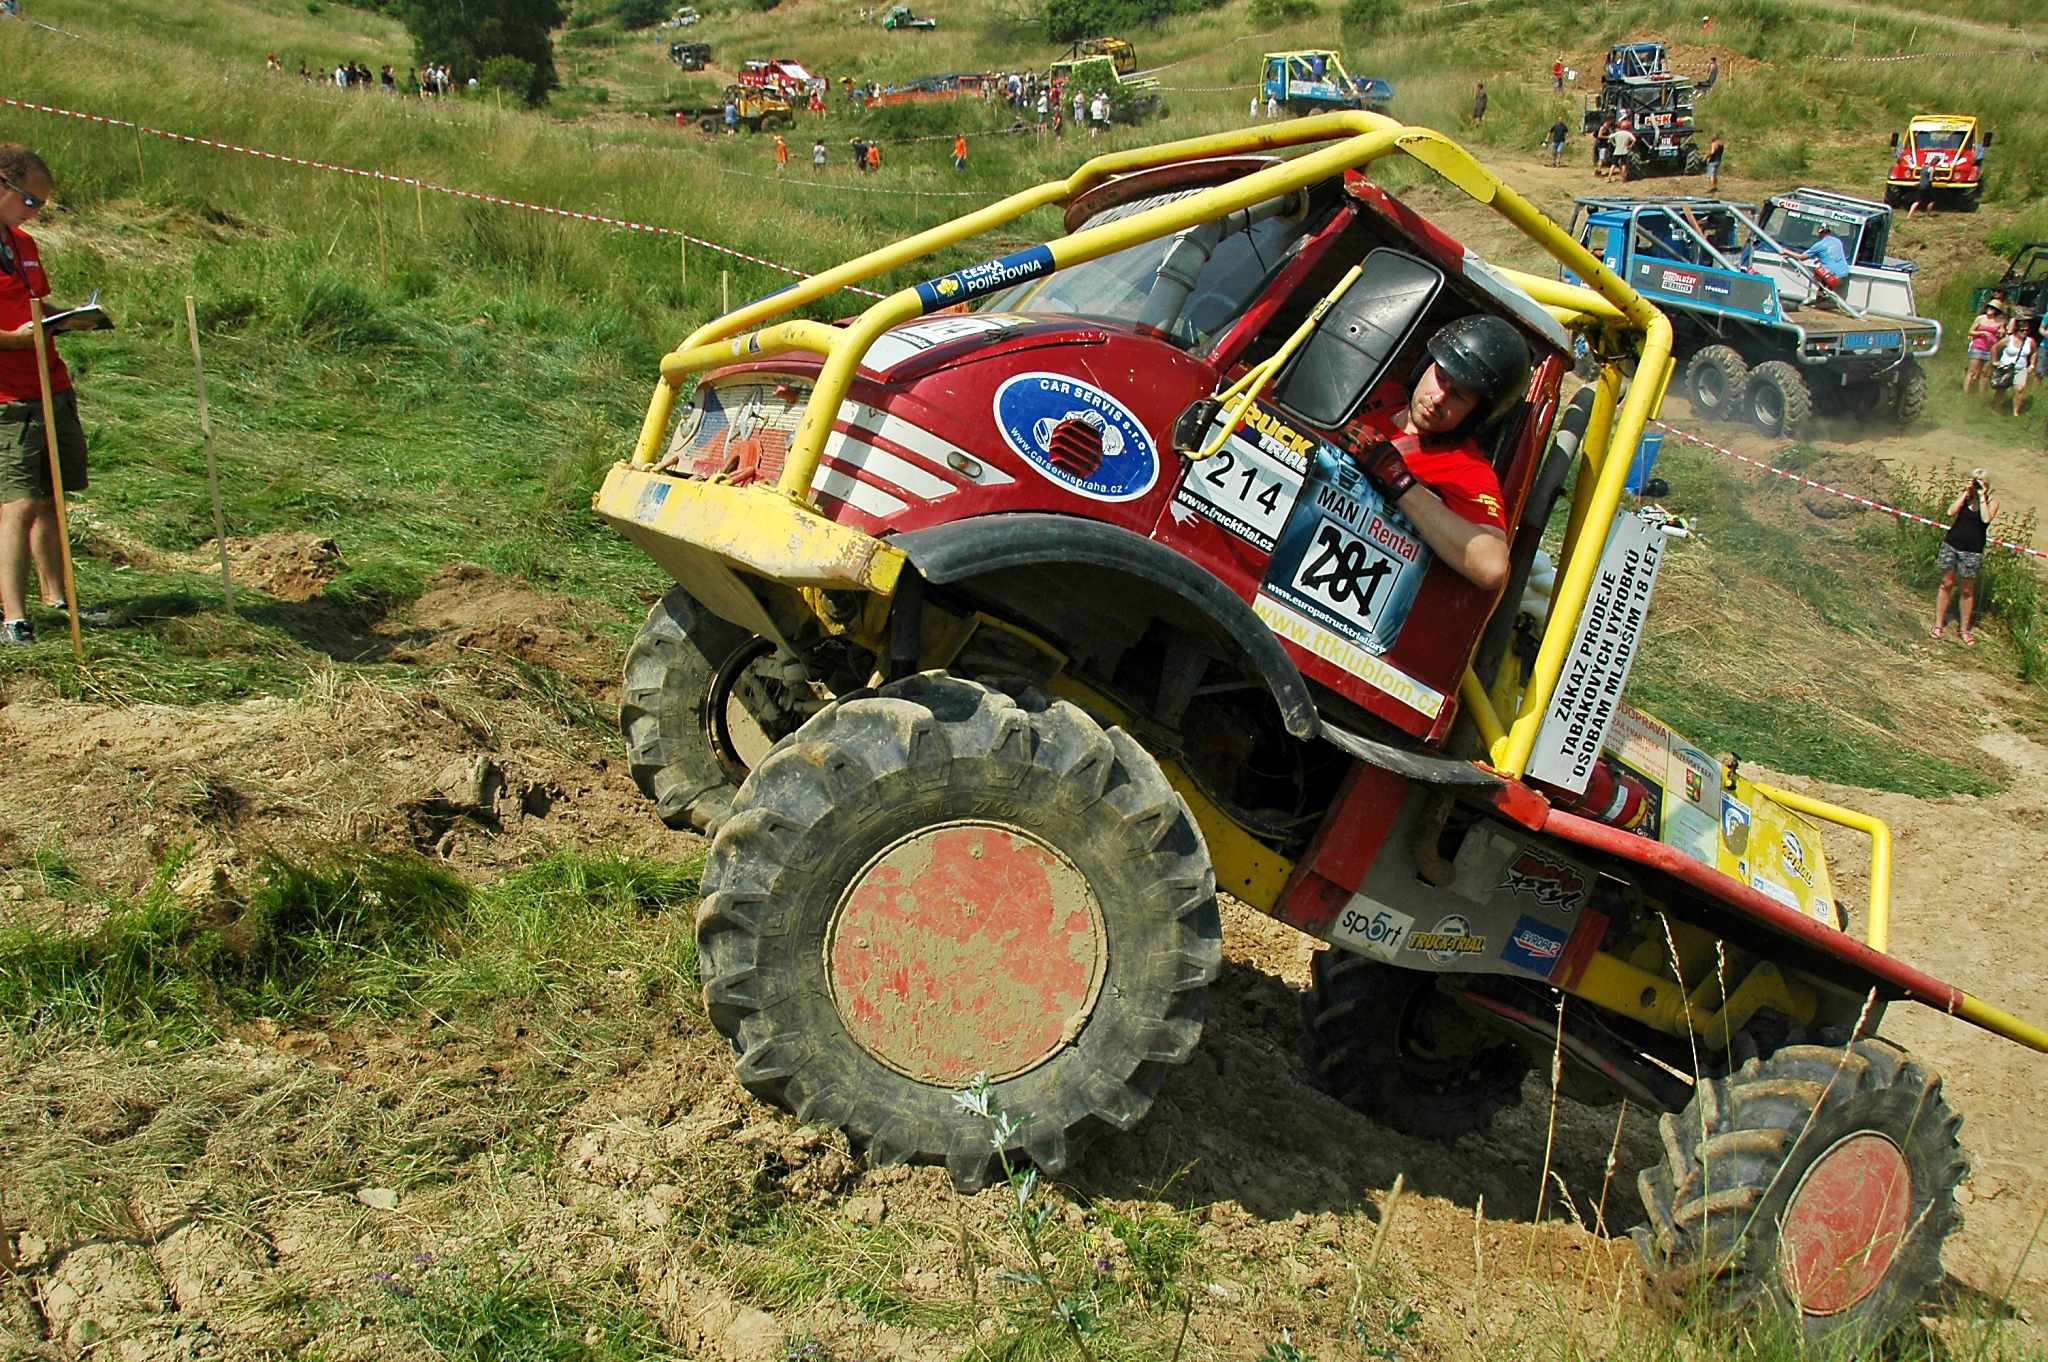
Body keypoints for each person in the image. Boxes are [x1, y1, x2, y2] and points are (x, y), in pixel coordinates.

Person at [1, 146, 107, 647]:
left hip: (50, 383)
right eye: (30, 201)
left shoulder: (24, 244)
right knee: (17, 503)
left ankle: (57, 597)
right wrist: (15, 340)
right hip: (8, 397)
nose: (35, 213)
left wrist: (68, 318)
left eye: (41, 204)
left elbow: (35, 306)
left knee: (50, 496)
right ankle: (14, 618)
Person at [1350, 316, 1531, 592]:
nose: (1438, 399)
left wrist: (1401, 483)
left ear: (1477, 414)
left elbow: (1492, 567)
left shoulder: (1468, 469)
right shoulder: (1377, 392)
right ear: (1425, 365)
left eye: (1458, 396)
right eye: (1441, 379)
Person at [1930, 471, 1996, 645]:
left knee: (1967, 590)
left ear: (1987, 485)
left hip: (1972, 551)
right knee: (1946, 584)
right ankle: (1938, 624)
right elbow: (1950, 512)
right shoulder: (1966, 497)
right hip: (1952, 545)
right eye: (1975, 481)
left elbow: (1985, 520)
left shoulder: (1991, 502)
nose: (1977, 485)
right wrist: (1966, 493)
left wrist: (1981, 497)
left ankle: (1964, 630)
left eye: (1980, 482)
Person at [1796, 223, 1848, 301]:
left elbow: (1802, 257)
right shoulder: (1837, 241)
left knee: (1818, 271)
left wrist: (1785, 252)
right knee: (1824, 270)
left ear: (1820, 233)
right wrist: (1820, 258)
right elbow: (1833, 255)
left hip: (1833, 278)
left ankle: (1823, 296)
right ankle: (1822, 294)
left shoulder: (1819, 245)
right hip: (1844, 274)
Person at [1963, 299, 2002, 392]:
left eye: (1993, 308)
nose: (1990, 309)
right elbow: (1970, 331)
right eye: (1989, 307)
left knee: (1985, 374)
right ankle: (1966, 393)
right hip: (1978, 347)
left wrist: (2001, 332)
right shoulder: (1980, 318)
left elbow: (2001, 334)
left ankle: (1981, 395)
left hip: (1990, 349)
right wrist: (1982, 333)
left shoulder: (1999, 321)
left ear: (1996, 310)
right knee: (1972, 372)